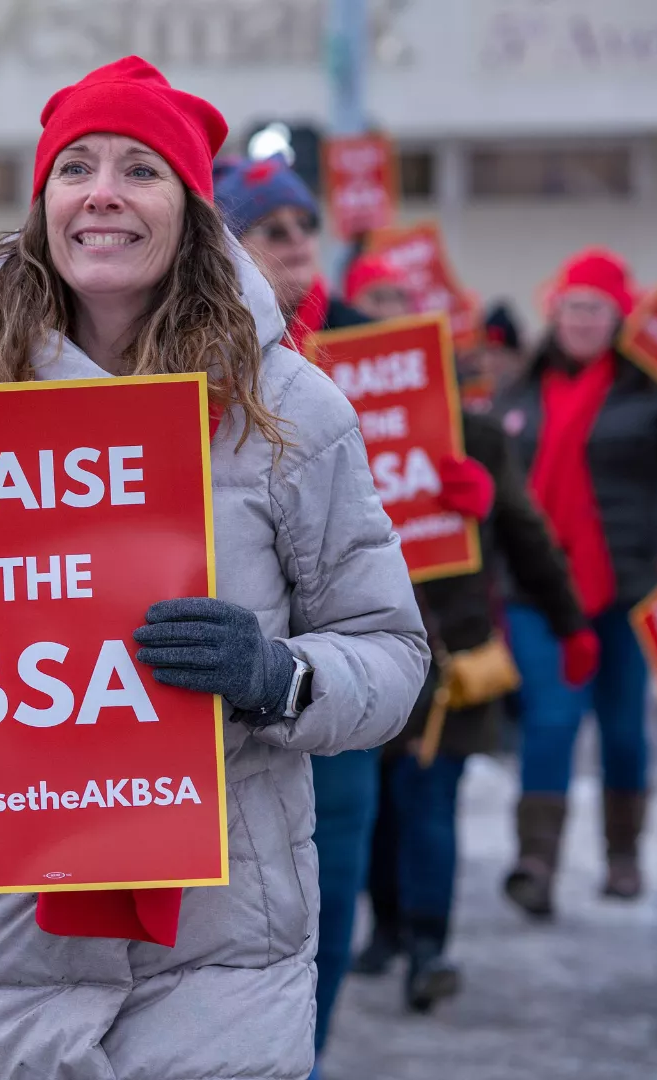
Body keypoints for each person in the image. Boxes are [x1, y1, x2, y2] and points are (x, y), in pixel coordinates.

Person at [0, 57, 429, 1080]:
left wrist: (278, 676)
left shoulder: (292, 411)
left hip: (217, 961)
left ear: (193, 212)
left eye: (140, 169)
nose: (103, 192)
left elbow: (392, 653)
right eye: (76, 167)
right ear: (43, 207)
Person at [344, 261, 596, 1014]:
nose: (387, 312)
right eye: (373, 299)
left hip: (451, 655)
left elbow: (527, 534)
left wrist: (568, 621)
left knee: (430, 801)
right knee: (379, 808)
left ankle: (429, 947)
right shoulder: (312, 415)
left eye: (400, 300)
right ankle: (387, 926)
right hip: (354, 651)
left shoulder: (474, 430)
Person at [493, 248, 657, 915]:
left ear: (618, 317)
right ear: (555, 311)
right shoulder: (520, 393)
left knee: (624, 730)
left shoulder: (654, 393)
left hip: (625, 588)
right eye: (572, 306)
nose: (582, 320)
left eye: (596, 309)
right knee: (552, 720)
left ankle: (623, 855)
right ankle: (536, 861)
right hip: (538, 591)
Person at [221, 150, 395, 1057]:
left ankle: (308, 1059)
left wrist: (457, 479)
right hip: (233, 697)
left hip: (340, 675)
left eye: (305, 226)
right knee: (253, 916)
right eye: (271, 229)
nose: (296, 246)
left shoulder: (374, 339)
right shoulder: (210, 364)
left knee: (328, 903)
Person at [215, 154, 328, 343]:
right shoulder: (210, 343)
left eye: (306, 223)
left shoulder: (362, 330)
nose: (296, 237)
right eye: (275, 230)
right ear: (232, 248)